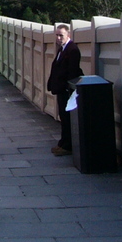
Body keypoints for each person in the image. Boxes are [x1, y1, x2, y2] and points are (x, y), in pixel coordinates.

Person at [47, 24, 83, 157]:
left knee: (67, 117)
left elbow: (72, 71)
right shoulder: (62, 49)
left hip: (66, 90)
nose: (58, 37)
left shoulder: (72, 49)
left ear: (68, 35)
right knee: (63, 116)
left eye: (61, 35)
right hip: (60, 89)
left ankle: (67, 146)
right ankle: (63, 143)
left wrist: (69, 88)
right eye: (57, 35)